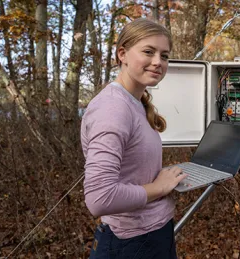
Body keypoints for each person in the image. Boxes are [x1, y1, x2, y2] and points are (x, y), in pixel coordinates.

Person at [80, 18, 187, 259]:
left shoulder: (134, 102)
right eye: (148, 51)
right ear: (123, 54)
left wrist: (166, 180)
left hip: (150, 233)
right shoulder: (112, 108)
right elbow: (100, 198)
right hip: (130, 243)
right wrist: (159, 187)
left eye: (165, 55)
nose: (158, 62)